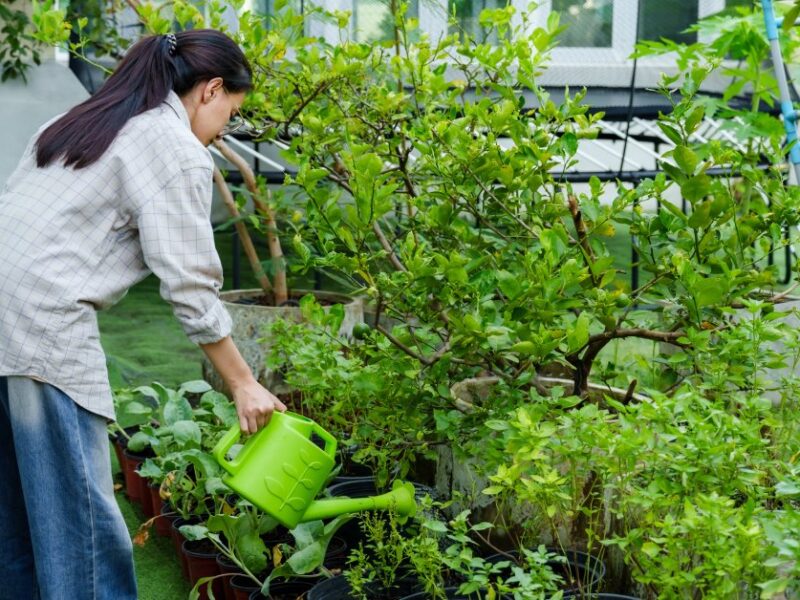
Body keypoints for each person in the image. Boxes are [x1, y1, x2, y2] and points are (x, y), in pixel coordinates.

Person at [0, 29, 286, 600]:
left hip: (7, 310)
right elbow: (189, 287)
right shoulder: (173, 147)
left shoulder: (81, 119)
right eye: (231, 110)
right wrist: (244, 384)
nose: (225, 127)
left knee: (16, 510)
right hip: (39, 323)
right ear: (210, 90)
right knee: (79, 515)